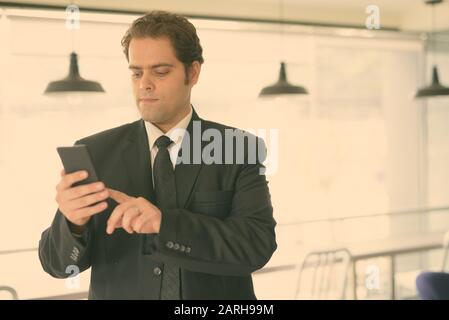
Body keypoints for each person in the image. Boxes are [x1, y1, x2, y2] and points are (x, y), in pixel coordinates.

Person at [38, 10, 277, 300]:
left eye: (160, 72)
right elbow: (59, 265)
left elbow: (256, 246)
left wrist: (165, 224)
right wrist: (72, 223)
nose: (144, 84)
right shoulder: (95, 152)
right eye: (136, 72)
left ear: (193, 72)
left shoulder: (238, 148)